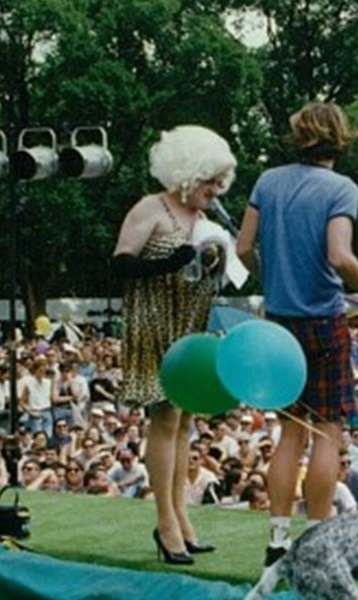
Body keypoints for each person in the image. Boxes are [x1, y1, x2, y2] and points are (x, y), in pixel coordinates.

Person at [235, 102, 358, 575]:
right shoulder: (342, 187)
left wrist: (273, 280)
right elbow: (340, 255)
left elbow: (243, 249)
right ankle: (318, 536)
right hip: (324, 319)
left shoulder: (268, 181)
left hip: (279, 321)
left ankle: (278, 540)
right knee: (327, 432)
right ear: (340, 138)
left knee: (289, 433)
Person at [112, 124, 235, 565]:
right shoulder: (152, 207)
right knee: (164, 419)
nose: (215, 189)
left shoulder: (204, 222)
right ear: (188, 173)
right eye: (209, 179)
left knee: (184, 421)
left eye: (220, 182)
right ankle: (165, 521)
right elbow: (123, 261)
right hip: (155, 322)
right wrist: (167, 263)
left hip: (190, 323)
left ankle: (181, 515)